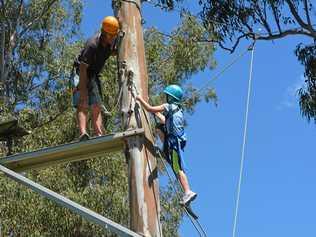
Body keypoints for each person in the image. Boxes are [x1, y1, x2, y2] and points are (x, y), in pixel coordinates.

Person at [136, 85, 197, 205]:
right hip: (175, 143)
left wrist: (139, 99)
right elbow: (164, 120)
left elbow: (149, 109)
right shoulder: (177, 110)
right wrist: (156, 114)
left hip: (173, 143)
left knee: (177, 168)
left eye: (167, 96)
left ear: (171, 97)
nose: (166, 98)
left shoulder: (168, 106)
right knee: (159, 127)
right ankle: (186, 190)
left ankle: (188, 191)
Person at [72, 16, 119, 140]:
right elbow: (83, 68)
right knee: (83, 103)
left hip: (93, 74)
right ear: (106, 34)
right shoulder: (92, 44)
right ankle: (83, 133)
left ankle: (99, 133)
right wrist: (82, 91)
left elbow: (110, 51)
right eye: (112, 35)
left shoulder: (111, 42)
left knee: (97, 104)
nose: (114, 37)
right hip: (81, 72)